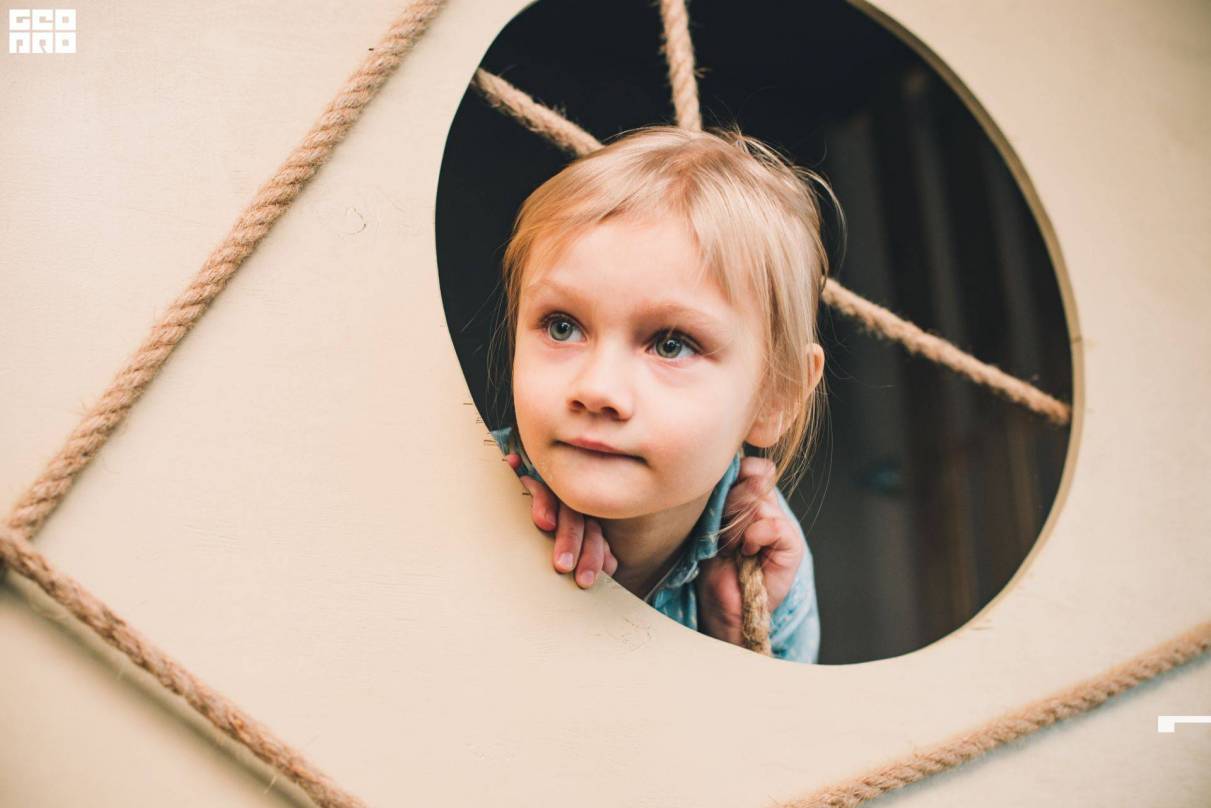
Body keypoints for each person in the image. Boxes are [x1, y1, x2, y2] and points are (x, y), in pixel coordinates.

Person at [487, 124, 841, 663]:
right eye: (562, 327)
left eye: (671, 345)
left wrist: (733, 640)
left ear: (777, 393)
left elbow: (776, 717)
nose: (597, 389)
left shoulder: (763, 556)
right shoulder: (460, 491)